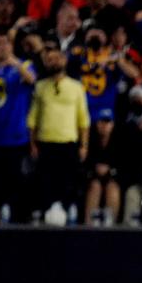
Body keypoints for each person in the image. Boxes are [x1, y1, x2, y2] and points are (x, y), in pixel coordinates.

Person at [27, 42, 89, 222]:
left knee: (68, 183)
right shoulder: (40, 87)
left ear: (64, 60)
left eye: (57, 58)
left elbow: (83, 120)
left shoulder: (76, 87)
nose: (54, 62)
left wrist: (84, 146)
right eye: (50, 59)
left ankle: (69, 215)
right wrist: (33, 144)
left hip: (68, 144)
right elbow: (32, 119)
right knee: (45, 184)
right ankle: (45, 217)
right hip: (45, 144)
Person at [0, 31, 37, 226]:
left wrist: (13, 62)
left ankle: (17, 229)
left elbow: (32, 79)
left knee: (17, 188)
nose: (1, 46)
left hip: (16, 139)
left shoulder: (22, 65)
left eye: (5, 42)